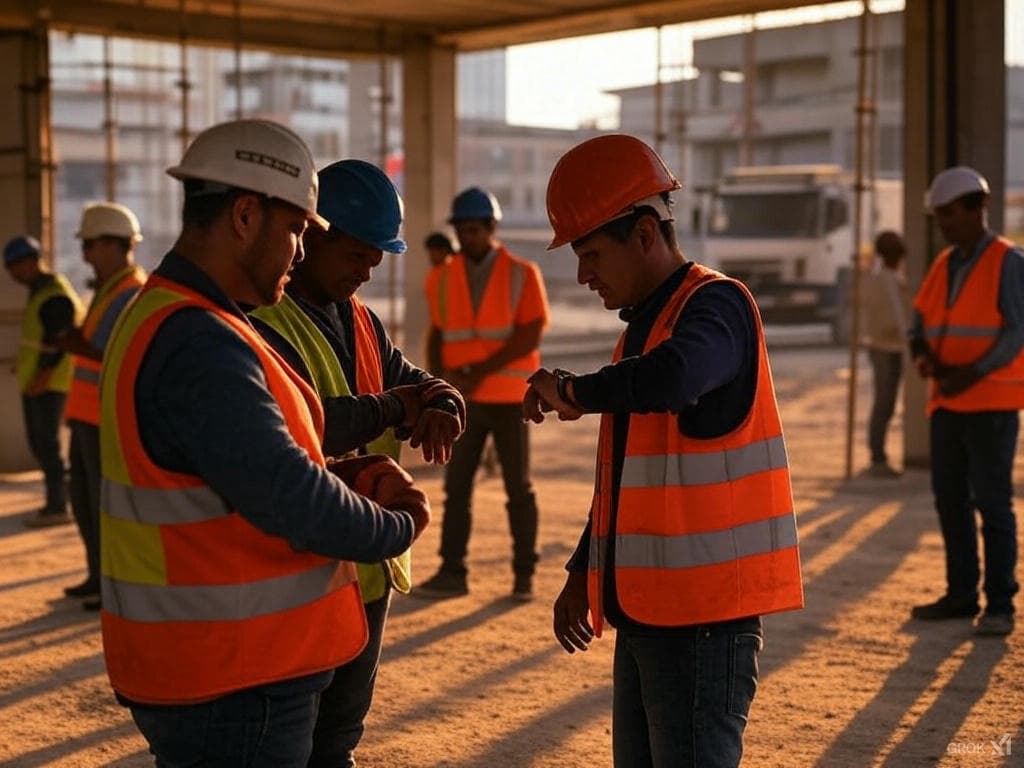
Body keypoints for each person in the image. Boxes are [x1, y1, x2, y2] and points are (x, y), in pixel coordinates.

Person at [98, 119, 430, 766]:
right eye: (299, 230)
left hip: (219, 667)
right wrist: (396, 525)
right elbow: (288, 494)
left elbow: (243, 469)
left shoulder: (186, 318)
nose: (303, 252)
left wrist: (350, 471)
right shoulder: (199, 342)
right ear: (246, 215)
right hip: (234, 677)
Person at [524, 134, 804, 768]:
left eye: (591, 253)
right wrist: (581, 569)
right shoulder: (640, 337)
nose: (582, 274)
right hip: (651, 612)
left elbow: (676, 378)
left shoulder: (717, 306)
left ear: (645, 234)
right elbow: (628, 478)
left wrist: (573, 389)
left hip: (706, 623)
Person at [250, 158, 465, 768]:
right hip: (303, 570)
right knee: (290, 740)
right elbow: (310, 422)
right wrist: (395, 406)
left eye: (376, 261)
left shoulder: (363, 321)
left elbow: (415, 382)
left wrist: (443, 403)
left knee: (339, 737)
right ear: (312, 234)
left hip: (367, 565)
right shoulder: (265, 320)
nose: (366, 273)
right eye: (356, 256)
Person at [417, 186, 550, 600]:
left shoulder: (522, 273)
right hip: (464, 401)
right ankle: (451, 572)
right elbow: (438, 334)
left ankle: (523, 575)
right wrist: (438, 379)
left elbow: (530, 333)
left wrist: (479, 371)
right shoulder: (441, 278)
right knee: (456, 488)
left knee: (518, 489)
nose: (468, 236)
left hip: (510, 399)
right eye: (462, 229)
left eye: (475, 229)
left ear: (491, 227)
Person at [908, 166, 1024, 638]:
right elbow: (919, 321)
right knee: (950, 501)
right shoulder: (945, 263)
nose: (944, 225)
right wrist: (923, 356)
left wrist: (970, 373)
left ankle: (999, 604)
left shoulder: (1009, 262)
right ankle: (961, 595)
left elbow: (1017, 331)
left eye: (950, 215)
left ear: (979, 209)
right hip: (948, 403)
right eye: (939, 218)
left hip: (991, 404)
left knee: (992, 504)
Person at [57, 203, 147, 608]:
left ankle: (110, 586)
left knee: (100, 507)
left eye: (91, 244)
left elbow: (120, 354)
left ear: (116, 245)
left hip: (103, 419)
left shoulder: (130, 294)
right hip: (85, 414)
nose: (86, 254)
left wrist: (76, 345)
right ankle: (97, 577)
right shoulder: (107, 291)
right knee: (83, 500)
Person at [4, 234, 83, 528]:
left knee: (47, 446)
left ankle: (57, 505)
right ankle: (57, 499)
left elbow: (61, 342)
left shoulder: (54, 295)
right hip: (38, 381)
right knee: (41, 445)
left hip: (49, 384)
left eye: (17, 265)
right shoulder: (40, 291)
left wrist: (43, 376)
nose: (13, 272)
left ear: (32, 261)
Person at [422, 229, 499, 479]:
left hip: (478, 366)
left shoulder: (458, 276)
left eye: (437, 252)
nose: (434, 258)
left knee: (476, 418)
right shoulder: (438, 279)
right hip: (459, 366)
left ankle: (486, 456)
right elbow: (438, 327)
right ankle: (482, 457)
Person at [860, 230, 908, 478]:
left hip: (888, 347)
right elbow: (897, 319)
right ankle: (877, 456)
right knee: (884, 403)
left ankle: (878, 454)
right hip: (884, 348)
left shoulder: (885, 278)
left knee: (886, 403)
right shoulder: (884, 280)